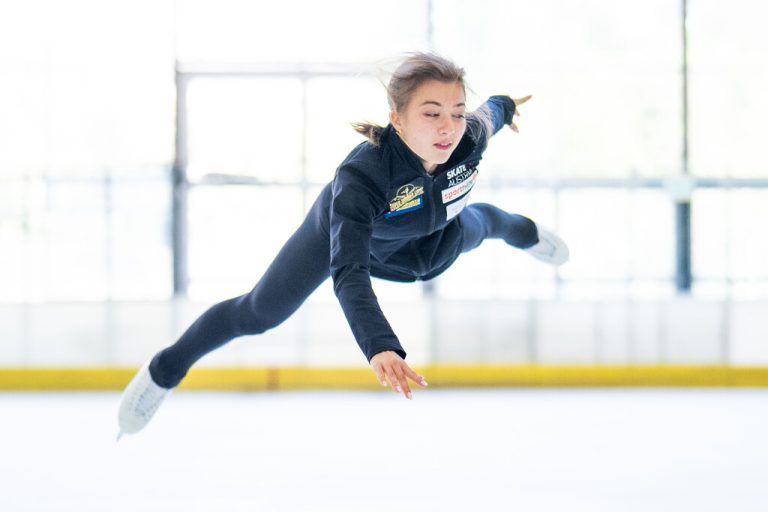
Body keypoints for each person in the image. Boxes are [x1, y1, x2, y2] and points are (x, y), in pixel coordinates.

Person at [117, 51, 569, 438]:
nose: (448, 126)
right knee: (259, 312)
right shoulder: (362, 177)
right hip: (351, 241)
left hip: (435, 235)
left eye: (456, 110)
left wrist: (507, 106)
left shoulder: (469, 135)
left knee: (483, 223)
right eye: (431, 113)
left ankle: (525, 233)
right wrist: (379, 345)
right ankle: (164, 370)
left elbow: (492, 111)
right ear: (398, 119)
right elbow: (348, 272)